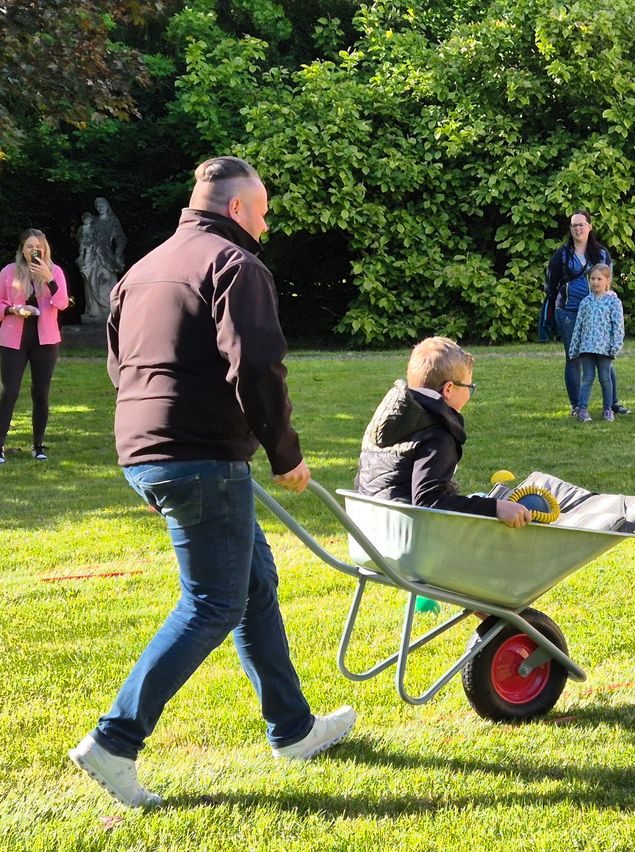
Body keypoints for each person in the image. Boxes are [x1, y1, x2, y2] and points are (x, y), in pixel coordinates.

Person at [68, 156, 356, 809]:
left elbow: (122, 368)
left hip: (152, 452)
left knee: (253, 585)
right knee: (212, 604)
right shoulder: (235, 265)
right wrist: (284, 453)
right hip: (199, 457)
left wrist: (150, 463)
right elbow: (257, 364)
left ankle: (293, 729)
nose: (267, 226)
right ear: (235, 209)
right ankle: (114, 741)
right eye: (263, 213)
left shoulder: (142, 269)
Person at [355, 336, 531, 528]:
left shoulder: (390, 421)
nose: (469, 394)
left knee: (478, 498)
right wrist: (494, 508)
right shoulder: (438, 434)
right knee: (497, 508)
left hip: (370, 529)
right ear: (448, 389)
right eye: (469, 387)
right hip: (410, 536)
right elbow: (429, 501)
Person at [545, 210, 630, 417]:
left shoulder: (600, 253)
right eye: (574, 225)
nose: (578, 229)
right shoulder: (563, 254)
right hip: (568, 311)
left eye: (581, 224)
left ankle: (613, 403)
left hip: (598, 312)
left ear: (589, 227)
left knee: (603, 356)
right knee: (573, 357)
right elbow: (551, 283)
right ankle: (577, 406)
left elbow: (608, 278)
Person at [0, 229, 69, 464]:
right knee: (9, 392)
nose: (34, 250)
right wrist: (12, 310)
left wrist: (48, 278)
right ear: (22, 250)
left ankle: (38, 446)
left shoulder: (55, 272)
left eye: (38, 246)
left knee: (40, 393)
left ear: (45, 248)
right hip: (13, 338)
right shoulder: (8, 272)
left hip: (45, 340)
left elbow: (61, 304)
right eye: (29, 246)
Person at [568, 264, 625, 422]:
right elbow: (578, 326)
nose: (595, 282)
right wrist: (574, 348)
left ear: (607, 280)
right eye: (592, 279)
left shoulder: (613, 302)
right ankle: (582, 409)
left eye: (599, 279)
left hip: (604, 349)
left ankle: (608, 409)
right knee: (587, 378)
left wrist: (615, 347)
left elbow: (618, 326)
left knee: (605, 379)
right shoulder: (585, 302)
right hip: (587, 348)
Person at [77, 198, 127, 323]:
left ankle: (108, 312)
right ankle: (94, 311)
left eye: (102, 205)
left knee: (106, 282)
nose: (100, 208)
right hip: (92, 257)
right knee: (90, 282)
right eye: (97, 206)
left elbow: (121, 239)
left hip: (107, 257)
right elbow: (84, 237)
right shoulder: (93, 222)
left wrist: (117, 254)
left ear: (107, 205)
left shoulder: (112, 221)